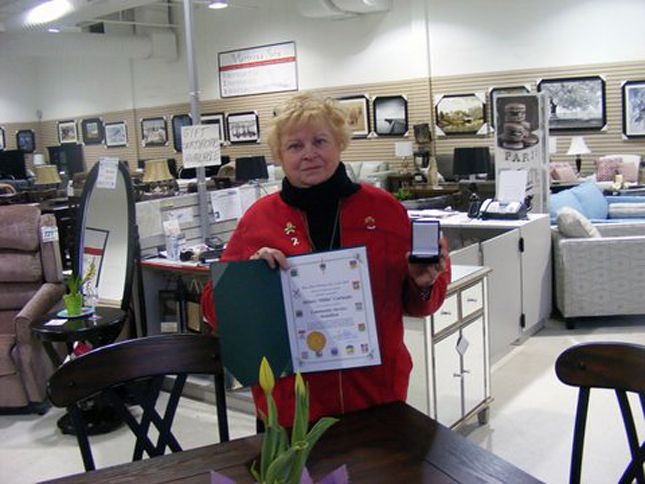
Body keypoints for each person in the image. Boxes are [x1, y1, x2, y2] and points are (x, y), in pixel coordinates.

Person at [201, 93, 451, 426]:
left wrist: (423, 284)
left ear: (339, 144)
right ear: (280, 155)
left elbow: (420, 304)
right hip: (292, 405)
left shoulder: (384, 211)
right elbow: (216, 311)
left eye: (320, 141)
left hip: (376, 395)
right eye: (294, 146)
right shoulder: (258, 220)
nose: (309, 154)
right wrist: (250, 280)